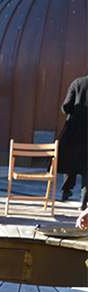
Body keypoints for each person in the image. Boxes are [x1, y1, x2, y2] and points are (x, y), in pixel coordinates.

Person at [57, 75, 88, 210]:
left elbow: (66, 107)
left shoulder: (77, 82)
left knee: (71, 159)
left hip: (75, 130)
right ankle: (84, 202)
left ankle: (66, 191)